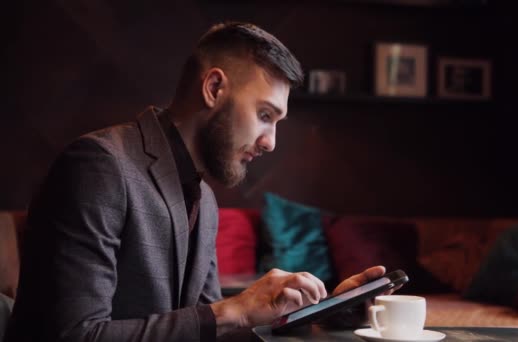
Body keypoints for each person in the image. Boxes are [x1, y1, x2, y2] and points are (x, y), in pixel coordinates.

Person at [5, 22, 390, 341]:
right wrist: (234, 307)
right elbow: (74, 335)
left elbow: (206, 330)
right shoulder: (98, 165)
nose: (271, 142)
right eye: (264, 114)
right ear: (214, 89)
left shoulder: (203, 198)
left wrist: (321, 318)